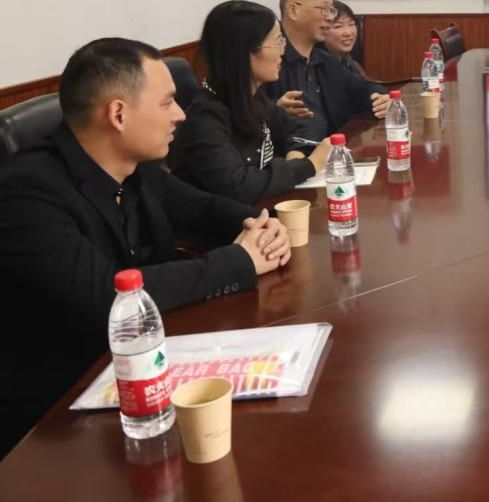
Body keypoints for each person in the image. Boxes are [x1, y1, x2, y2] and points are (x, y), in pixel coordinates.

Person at [0, 39, 291, 456]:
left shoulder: (135, 167)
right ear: (118, 114)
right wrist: (240, 260)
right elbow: (107, 296)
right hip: (58, 419)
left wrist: (260, 224)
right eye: (168, 102)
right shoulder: (25, 192)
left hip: (147, 369)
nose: (180, 114)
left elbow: (200, 208)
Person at [170, 1, 333, 204]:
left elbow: (301, 126)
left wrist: (295, 153)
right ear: (243, 51)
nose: (282, 52)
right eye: (277, 42)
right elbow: (238, 185)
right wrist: (308, 166)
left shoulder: (252, 99)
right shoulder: (205, 117)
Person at [266, 0, 389, 139]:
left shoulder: (325, 60)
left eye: (331, 11)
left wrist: (381, 98)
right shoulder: (267, 61)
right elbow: (243, 110)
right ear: (294, 10)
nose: (330, 17)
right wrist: (274, 109)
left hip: (332, 149)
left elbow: (363, 88)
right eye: (324, 9)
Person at [322, 0, 371, 80]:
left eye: (351, 24)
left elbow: (365, 85)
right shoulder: (317, 66)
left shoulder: (351, 63)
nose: (348, 33)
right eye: (338, 26)